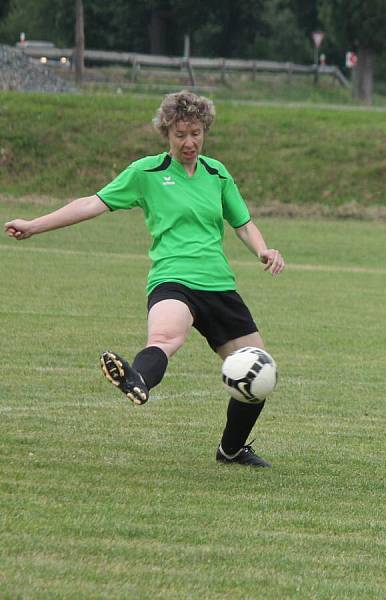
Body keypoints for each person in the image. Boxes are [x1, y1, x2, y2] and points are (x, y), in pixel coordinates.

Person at [4, 90, 285, 468]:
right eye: (181, 134)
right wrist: (35, 225)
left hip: (218, 284)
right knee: (166, 338)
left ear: (205, 131)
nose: (189, 142)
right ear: (166, 133)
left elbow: (243, 223)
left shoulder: (217, 173)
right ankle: (137, 380)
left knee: (259, 371)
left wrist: (264, 250)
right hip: (172, 279)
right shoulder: (146, 173)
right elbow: (92, 203)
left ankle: (231, 450)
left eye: (196, 133)